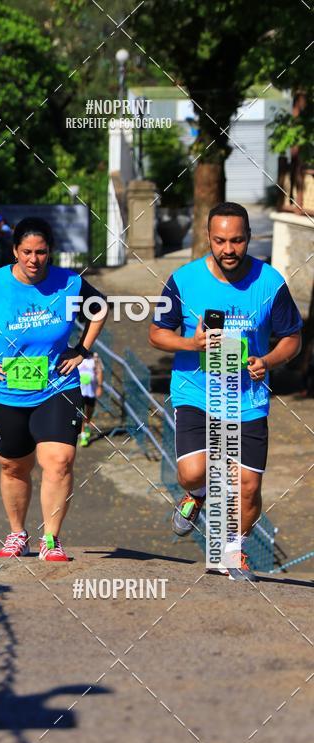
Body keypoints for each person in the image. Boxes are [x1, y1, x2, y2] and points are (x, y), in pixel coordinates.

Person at [149, 201, 303, 580]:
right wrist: (193, 344)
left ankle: (233, 550)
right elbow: (157, 333)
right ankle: (196, 496)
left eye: (237, 240)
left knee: (247, 487)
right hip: (195, 393)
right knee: (192, 472)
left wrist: (267, 360)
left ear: (249, 238)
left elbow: (292, 338)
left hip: (247, 398)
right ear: (208, 238)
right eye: (220, 241)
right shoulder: (184, 280)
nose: (228, 249)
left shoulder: (270, 283)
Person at [0, 216, 108, 562]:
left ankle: (51, 538)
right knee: (13, 467)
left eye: (42, 252)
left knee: (59, 461)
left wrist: (82, 351)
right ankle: (18, 533)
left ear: (51, 252)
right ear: (15, 251)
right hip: (3, 392)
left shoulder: (70, 283)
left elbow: (100, 307)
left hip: (57, 386)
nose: (34, 259)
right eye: (27, 252)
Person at [78, 352, 104, 447]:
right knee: (80, 413)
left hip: (91, 391)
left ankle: (87, 424)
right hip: (79, 391)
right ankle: (83, 435)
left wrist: (100, 386)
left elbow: (99, 372)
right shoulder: (76, 356)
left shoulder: (95, 358)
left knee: (89, 412)